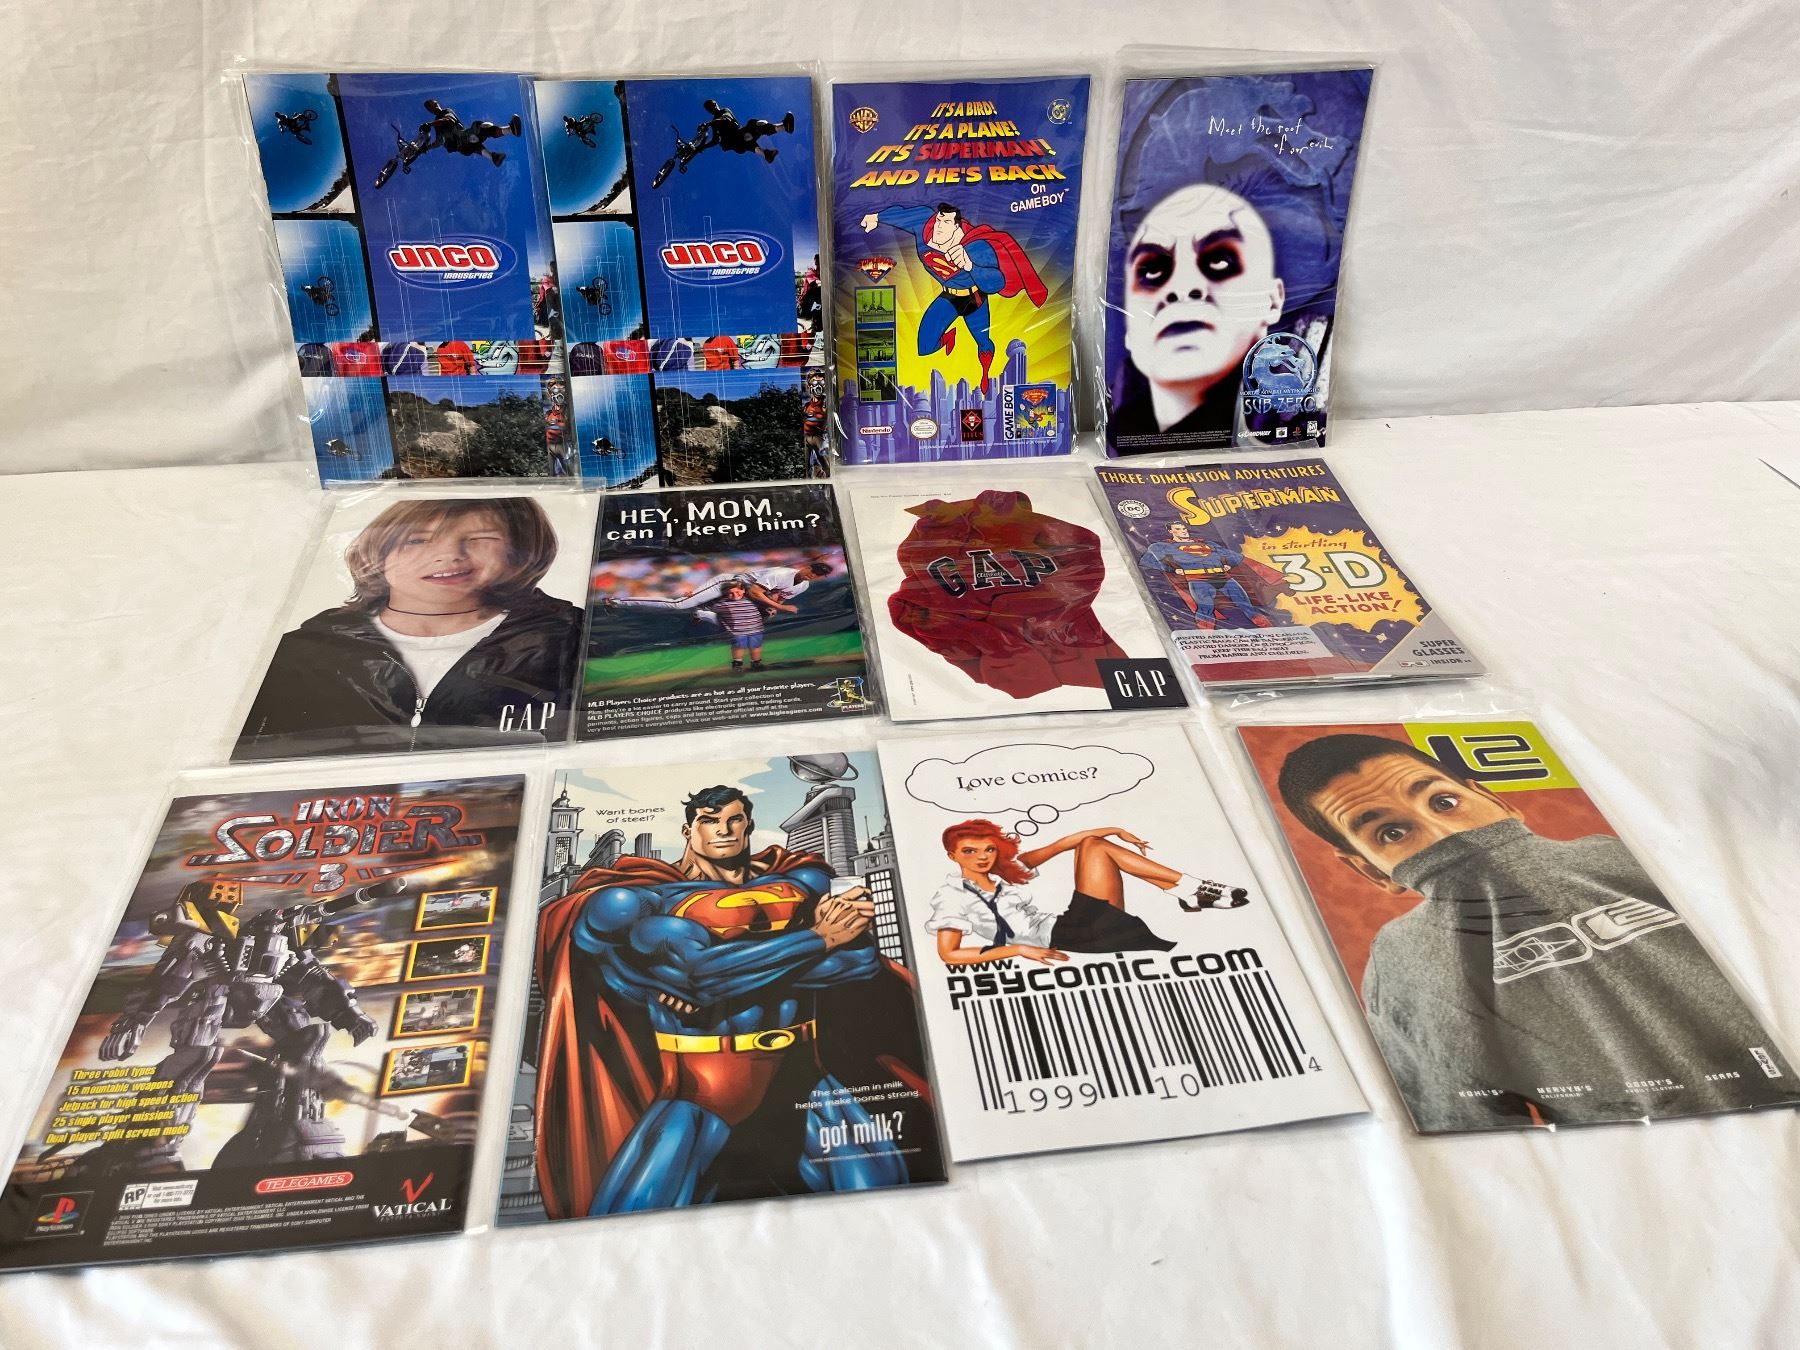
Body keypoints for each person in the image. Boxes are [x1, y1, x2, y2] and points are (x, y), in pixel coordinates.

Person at [1276, 732, 1798, 1130]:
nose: (1445, 833)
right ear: (1371, 871)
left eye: (1443, 801)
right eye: (1391, 832)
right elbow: (1467, 1126)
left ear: (1496, 800)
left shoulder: (1629, 860)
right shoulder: (1402, 958)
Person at [532, 785, 927, 1215]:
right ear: (689, 830)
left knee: (890, 1197)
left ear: (748, 825)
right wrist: (818, 939)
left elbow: (859, 962)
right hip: (706, 1090)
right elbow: (701, 977)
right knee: (632, 1219)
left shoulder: (798, 884)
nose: (724, 830)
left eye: (734, 819)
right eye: (709, 820)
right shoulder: (639, 901)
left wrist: (731, 974)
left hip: (805, 1077)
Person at [237, 498, 582, 756]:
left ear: (521, 553)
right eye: (417, 540)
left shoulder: (572, 638)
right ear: (378, 553)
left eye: (479, 538)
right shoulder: (303, 652)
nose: (449, 554)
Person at [926, 818, 1246, 967]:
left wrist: (1116, 829)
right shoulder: (952, 897)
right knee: (1094, 847)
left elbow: (1064, 843)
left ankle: (1187, 889)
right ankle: (1188, 889)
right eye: (969, 851)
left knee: (1092, 844)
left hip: (1073, 926)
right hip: (1071, 936)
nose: (982, 857)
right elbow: (949, 954)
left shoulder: (1004, 874)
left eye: (989, 849)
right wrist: (1019, 950)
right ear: (952, 856)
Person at [1111, 184, 1285, 442]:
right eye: (1152, 270)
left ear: (1272, 301)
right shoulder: (1113, 435)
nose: (1182, 288)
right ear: (1128, 323)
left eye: (1219, 261)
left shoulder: (1296, 432)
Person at [860, 202, 1047, 393]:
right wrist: (876, 217)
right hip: (949, 297)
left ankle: (985, 373)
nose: (939, 226)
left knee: (983, 343)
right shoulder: (924, 223)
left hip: (974, 299)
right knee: (925, 346)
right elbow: (901, 214)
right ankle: (949, 338)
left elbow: (997, 282)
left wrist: (970, 265)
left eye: (946, 222)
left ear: (957, 227)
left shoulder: (977, 247)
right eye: (939, 220)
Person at [603, 559, 832, 618]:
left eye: (817, 576)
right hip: (729, 584)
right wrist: (780, 608)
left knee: (759, 614)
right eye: (812, 571)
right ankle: (617, 601)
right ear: (807, 567)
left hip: (742, 594)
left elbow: (779, 597)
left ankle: (703, 612)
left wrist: (774, 607)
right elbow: (756, 592)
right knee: (679, 605)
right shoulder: (782, 573)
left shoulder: (803, 585)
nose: (811, 576)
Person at [699, 579, 767, 674]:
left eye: (737, 592)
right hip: (738, 632)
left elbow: (765, 606)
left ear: (743, 590)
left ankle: (756, 663)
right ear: (725, 593)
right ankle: (737, 665)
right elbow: (705, 606)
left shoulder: (752, 600)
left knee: (755, 646)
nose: (735, 595)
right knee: (739, 647)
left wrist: (769, 610)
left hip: (756, 629)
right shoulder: (722, 604)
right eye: (730, 593)